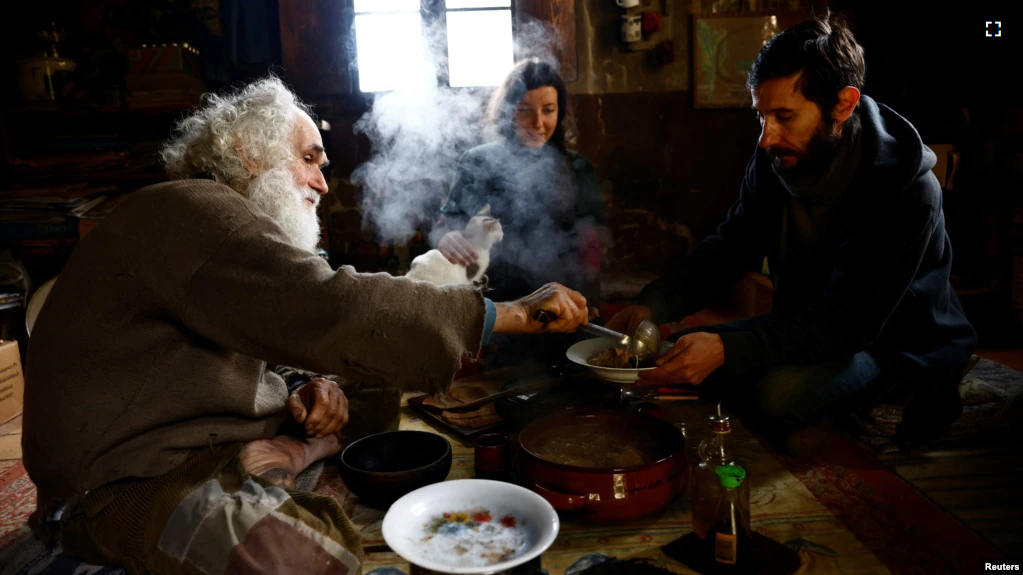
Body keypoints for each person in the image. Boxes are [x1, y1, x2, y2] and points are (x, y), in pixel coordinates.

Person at [21, 76, 589, 574]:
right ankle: (267, 471)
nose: (322, 183)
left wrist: (304, 391)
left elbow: (268, 339)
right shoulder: (188, 210)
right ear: (247, 153)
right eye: (311, 158)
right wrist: (512, 314)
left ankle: (295, 456)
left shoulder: (220, 229)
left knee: (366, 371)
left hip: (207, 444)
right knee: (309, 556)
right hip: (121, 484)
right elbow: (329, 306)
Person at [606, 14, 976, 451]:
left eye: (784, 116)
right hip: (810, 324)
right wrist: (657, 302)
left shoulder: (906, 189)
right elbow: (731, 246)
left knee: (776, 396)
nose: (767, 138)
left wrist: (730, 348)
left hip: (892, 342)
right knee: (681, 350)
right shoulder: (777, 158)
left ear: (843, 104)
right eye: (762, 116)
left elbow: (848, 325)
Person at [432, 58, 607, 366]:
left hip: (563, 314)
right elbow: (448, 223)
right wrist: (447, 237)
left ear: (560, 112)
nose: (538, 122)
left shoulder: (578, 169)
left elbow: (590, 244)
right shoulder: (479, 163)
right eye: (525, 110)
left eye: (548, 110)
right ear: (507, 111)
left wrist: (590, 301)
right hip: (500, 313)